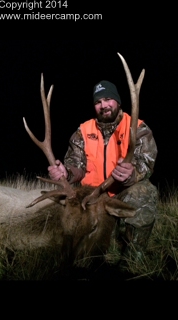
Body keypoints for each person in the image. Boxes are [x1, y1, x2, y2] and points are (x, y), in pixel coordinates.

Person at [48, 80, 158, 269]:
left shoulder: (138, 128)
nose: (103, 105)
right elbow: (76, 164)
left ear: (118, 102)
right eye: (98, 102)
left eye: (108, 99)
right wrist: (66, 172)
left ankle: (132, 258)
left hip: (121, 193)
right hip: (90, 197)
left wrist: (133, 174)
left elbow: (146, 163)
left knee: (144, 192)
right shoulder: (83, 131)